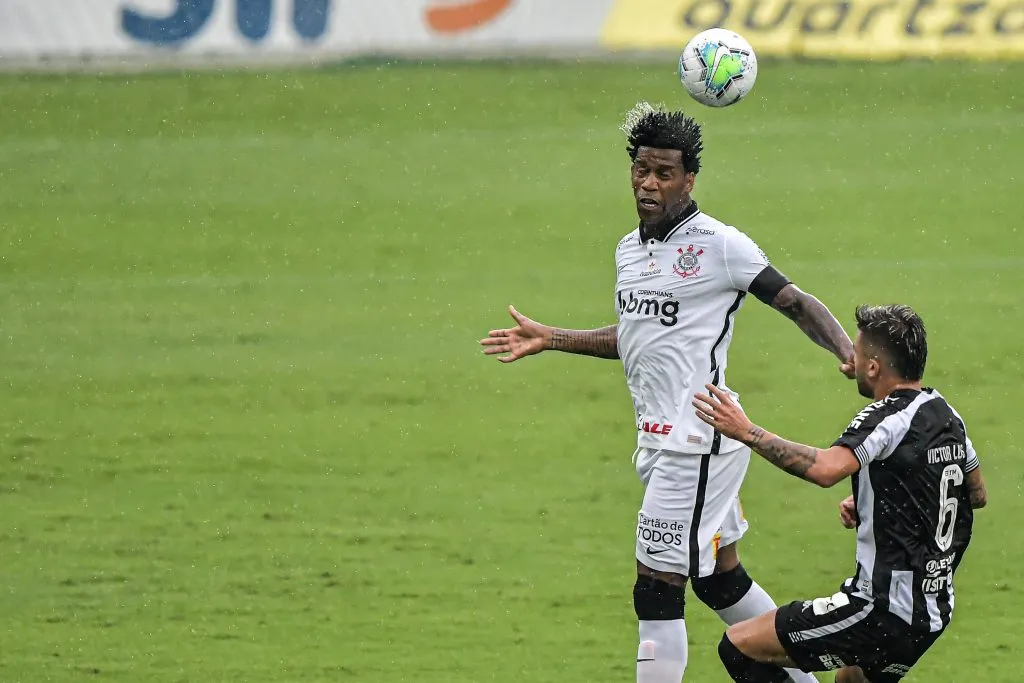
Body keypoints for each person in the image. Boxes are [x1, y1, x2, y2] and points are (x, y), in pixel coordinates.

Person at [480, 101, 855, 683]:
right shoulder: (628, 251)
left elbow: (796, 301)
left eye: (664, 173)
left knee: (655, 589)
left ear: (689, 179)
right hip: (661, 444)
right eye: (640, 170)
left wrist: (846, 353)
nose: (649, 184)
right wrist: (552, 337)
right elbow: (636, 337)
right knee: (719, 579)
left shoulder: (720, 245)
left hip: (696, 440)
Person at [692, 304, 988, 683]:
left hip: (879, 609)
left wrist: (746, 431)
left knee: (738, 647)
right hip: (930, 612)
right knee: (852, 680)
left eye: (858, 353)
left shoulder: (886, 419)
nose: (850, 359)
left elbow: (825, 469)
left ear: (874, 368)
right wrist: (882, 501)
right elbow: (974, 492)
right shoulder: (947, 414)